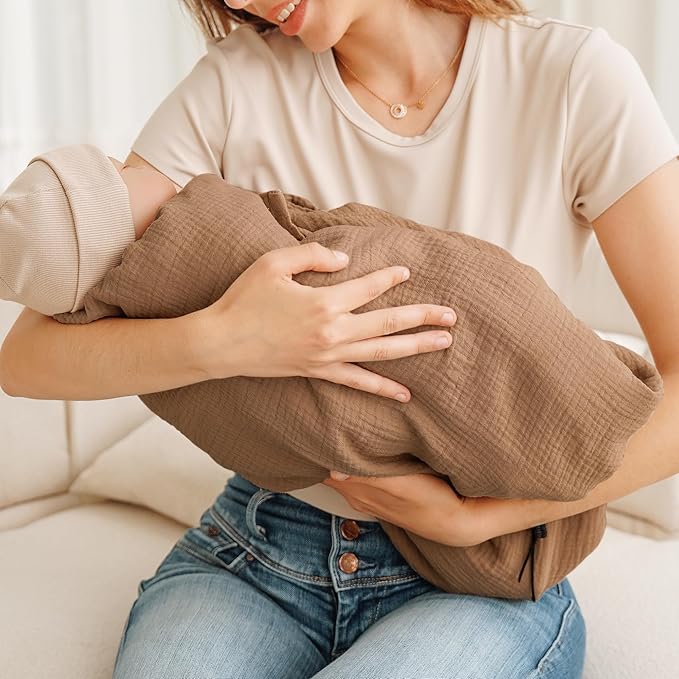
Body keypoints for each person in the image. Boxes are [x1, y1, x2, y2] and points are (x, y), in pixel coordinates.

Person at [1, 0, 678, 676]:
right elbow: (27, 357)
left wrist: (479, 519)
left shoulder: (572, 77)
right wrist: (227, 338)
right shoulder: (233, 85)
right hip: (262, 544)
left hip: (476, 577)